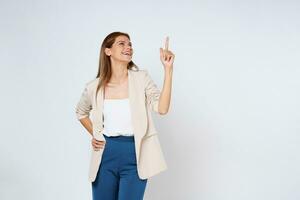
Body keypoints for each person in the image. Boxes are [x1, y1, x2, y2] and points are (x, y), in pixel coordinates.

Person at [75, 31, 175, 200]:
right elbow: (81, 112)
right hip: (105, 155)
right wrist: (95, 133)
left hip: (135, 154)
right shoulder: (94, 87)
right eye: (122, 43)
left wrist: (168, 70)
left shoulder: (141, 78)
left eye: (130, 44)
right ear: (108, 51)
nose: (128, 47)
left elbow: (162, 108)